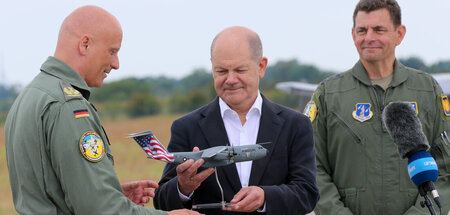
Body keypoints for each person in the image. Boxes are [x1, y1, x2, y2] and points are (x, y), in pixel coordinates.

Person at [4, 5, 200, 215]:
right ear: (85, 44)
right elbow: (98, 209)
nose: (116, 64)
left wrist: (109, 193)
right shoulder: (68, 106)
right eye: (112, 51)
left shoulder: (29, 96)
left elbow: (51, 192)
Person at [153, 26, 319, 215]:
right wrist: (182, 187)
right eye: (222, 71)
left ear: (261, 67)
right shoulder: (186, 127)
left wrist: (265, 196)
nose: (231, 79)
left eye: (240, 70)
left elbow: (308, 193)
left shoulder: (296, 125)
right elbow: (161, 202)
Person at [307, 0, 450, 214]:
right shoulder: (328, 94)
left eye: (379, 29)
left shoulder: (427, 90)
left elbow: (446, 166)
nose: (369, 37)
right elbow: (311, 165)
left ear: (399, 34)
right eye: (362, 30)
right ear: (353, 34)